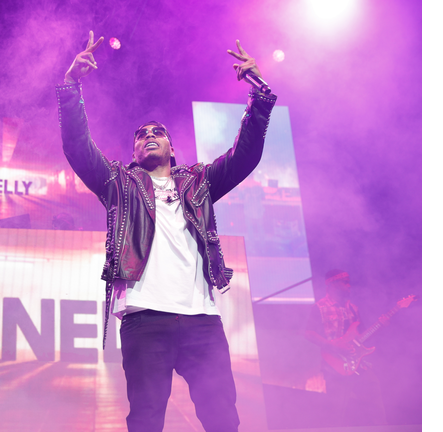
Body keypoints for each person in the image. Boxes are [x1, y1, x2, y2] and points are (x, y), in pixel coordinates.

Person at [56, 30, 277, 432]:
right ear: (134, 152)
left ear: (172, 149)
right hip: (145, 319)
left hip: (202, 320)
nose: (148, 136)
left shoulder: (199, 181)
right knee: (145, 420)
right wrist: (71, 86)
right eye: (141, 135)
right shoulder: (118, 183)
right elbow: (77, 146)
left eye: (157, 132)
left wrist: (259, 94)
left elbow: (245, 156)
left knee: (223, 419)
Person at [304, 269, 389, 426]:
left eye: (349, 282)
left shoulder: (353, 308)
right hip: (334, 367)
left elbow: (362, 336)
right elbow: (309, 333)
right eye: (345, 282)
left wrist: (379, 327)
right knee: (335, 413)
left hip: (358, 364)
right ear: (332, 284)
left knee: (375, 405)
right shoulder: (319, 307)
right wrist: (332, 346)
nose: (349, 285)